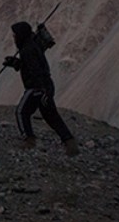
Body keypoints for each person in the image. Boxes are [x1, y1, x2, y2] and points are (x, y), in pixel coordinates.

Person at [4, 20, 79, 155]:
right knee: (51, 116)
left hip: (37, 88)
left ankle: (29, 141)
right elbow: (30, 65)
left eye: (15, 35)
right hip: (46, 86)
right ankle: (70, 144)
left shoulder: (27, 49)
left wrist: (41, 90)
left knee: (21, 112)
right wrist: (15, 63)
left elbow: (35, 70)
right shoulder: (32, 45)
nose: (14, 38)